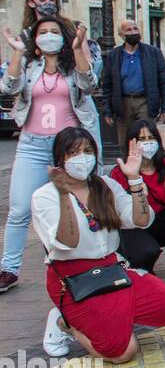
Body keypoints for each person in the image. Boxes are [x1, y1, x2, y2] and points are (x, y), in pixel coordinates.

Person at [34, 127, 165, 362]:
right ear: (60, 159)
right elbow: (68, 242)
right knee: (123, 352)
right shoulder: (45, 196)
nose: (82, 158)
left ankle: (110, 320)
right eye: (73, 153)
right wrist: (64, 195)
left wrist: (134, 179)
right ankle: (66, 323)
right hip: (74, 280)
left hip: (112, 270)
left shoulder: (105, 185)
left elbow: (141, 220)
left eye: (87, 150)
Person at [0, 17, 97, 295]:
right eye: (43, 32)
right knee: (19, 209)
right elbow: (8, 88)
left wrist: (78, 49)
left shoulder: (71, 66)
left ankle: (81, 262)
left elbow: (89, 84)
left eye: (55, 31)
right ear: (36, 40)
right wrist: (17, 53)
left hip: (68, 146)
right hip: (31, 144)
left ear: (63, 38)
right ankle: (9, 269)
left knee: (76, 204)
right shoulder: (29, 67)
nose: (49, 36)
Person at [109, 119, 165, 276]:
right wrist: (135, 192)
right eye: (141, 139)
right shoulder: (120, 172)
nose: (147, 143)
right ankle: (142, 263)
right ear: (131, 143)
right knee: (148, 253)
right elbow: (117, 212)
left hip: (159, 219)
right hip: (135, 225)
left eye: (151, 138)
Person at [101, 18, 165, 153]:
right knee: (125, 142)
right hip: (123, 103)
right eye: (128, 30)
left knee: (147, 139)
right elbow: (107, 85)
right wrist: (107, 111)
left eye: (135, 29)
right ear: (121, 35)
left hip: (145, 101)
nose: (133, 32)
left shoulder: (153, 53)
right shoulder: (114, 56)